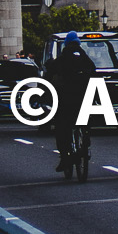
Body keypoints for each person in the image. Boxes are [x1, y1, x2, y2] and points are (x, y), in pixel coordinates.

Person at [44, 37, 94, 176]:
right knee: (85, 121)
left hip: (66, 99)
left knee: (61, 128)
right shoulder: (84, 57)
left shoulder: (62, 58)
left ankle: (65, 157)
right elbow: (93, 71)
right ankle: (85, 141)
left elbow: (50, 74)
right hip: (82, 98)